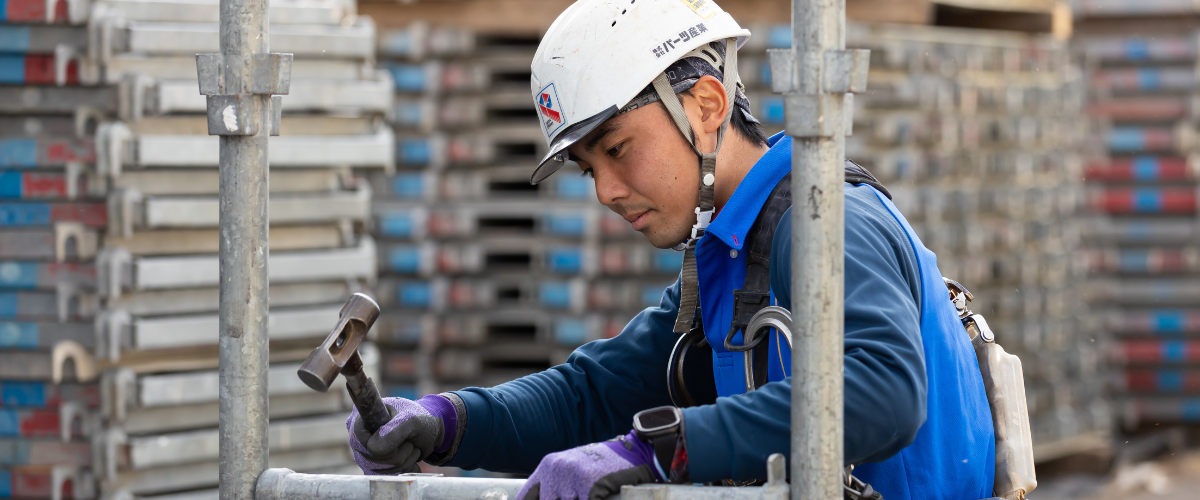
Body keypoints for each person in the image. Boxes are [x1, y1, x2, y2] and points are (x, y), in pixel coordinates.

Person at [346, 1, 996, 499]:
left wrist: (662, 449)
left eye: (617, 148)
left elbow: (883, 391)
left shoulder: (826, 222)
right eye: (588, 167)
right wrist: (448, 422)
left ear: (707, 106)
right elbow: (594, 395)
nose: (605, 190)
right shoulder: (734, 256)